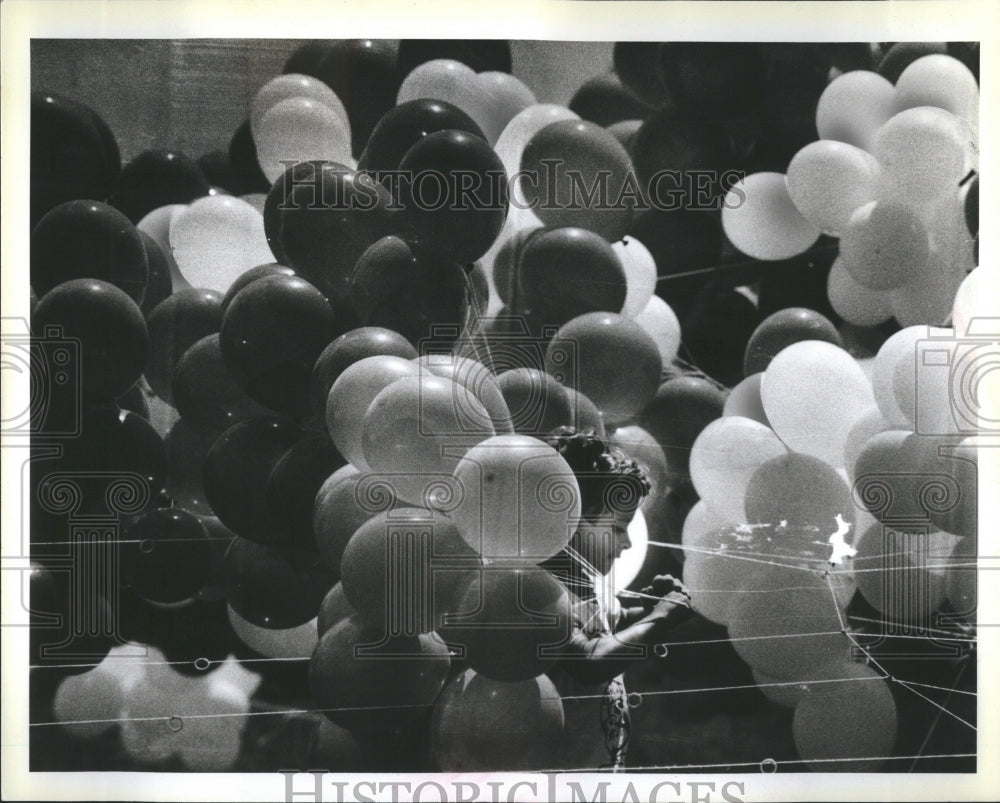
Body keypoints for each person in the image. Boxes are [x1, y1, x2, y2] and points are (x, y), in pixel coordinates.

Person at [541, 426, 694, 771]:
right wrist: (660, 619)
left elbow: (609, 622)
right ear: (571, 521)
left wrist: (649, 611)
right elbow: (588, 661)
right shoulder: (539, 590)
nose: (627, 544)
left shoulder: (588, 586)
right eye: (617, 528)